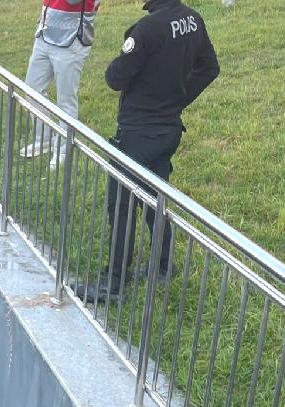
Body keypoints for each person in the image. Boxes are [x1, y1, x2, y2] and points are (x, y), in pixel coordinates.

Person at [74, 0, 219, 302]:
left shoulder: (147, 30)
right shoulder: (192, 19)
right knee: (156, 199)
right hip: (168, 128)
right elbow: (209, 68)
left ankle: (113, 283)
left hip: (139, 131)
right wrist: (179, 99)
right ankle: (165, 267)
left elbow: (114, 79)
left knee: (122, 203)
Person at [18, 0, 100, 168]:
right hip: (45, 33)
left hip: (72, 39)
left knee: (66, 100)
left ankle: (63, 149)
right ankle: (45, 139)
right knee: (31, 89)